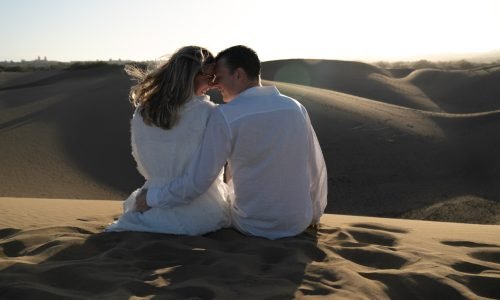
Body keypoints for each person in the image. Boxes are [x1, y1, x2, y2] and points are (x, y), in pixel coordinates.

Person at [136, 45, 327, 240]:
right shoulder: (295, 107)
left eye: (219, 77)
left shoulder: (225, 115)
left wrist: (151, 198)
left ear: (238, 75)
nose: (215, 84)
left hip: (251, 224)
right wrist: (315, 213)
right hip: (298, 223)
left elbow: (198, 181)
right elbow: (316, 167)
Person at [106, 46, 231, 235]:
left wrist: (154, 193)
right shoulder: (210, 113)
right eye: (210, 78)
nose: (212, 85)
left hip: (147, 208)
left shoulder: (143, 111)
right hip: (200, 213)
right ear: (194, 76)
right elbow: (200, 179)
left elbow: (140, 161)